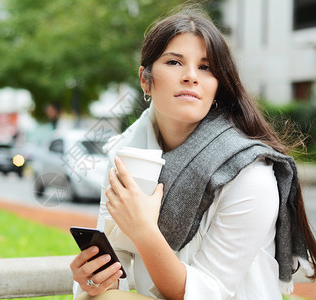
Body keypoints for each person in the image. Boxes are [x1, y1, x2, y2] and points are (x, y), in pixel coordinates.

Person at [70, 7, 316, 300]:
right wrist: (92, 279)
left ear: (217, 86)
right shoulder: (127, 155)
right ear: (145, 80)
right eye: (174, 62)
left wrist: (144, 231)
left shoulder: (249, 174)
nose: (190, 77)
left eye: (206, 67)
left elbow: (209, 293)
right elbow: (115, 267)